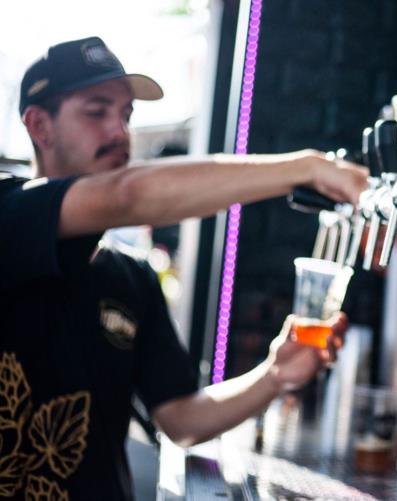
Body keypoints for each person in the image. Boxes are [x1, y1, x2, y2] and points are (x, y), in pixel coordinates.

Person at [0, 37, 368, 500]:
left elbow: (180, 420)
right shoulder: (6, 214)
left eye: (127, 114)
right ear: (40, 126)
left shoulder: (130, 277)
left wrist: (275, 374)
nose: (119, 132)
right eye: (97, 111)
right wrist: (307, 168)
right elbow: (127, 195)